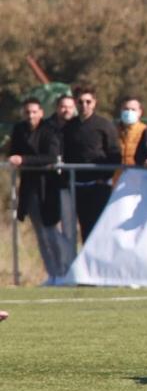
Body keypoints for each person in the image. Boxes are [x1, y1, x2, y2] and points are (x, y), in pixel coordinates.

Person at [7, 97, 71, 280]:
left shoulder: (50, 130)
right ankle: (52, 274)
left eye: (34, 112)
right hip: (30, 188)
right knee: (41, 235)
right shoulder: (19, 130)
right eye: (27, 112)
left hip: (49, 187)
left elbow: (51, 157)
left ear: (41, 113)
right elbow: (13, 153)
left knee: (53, 232)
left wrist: (24, 160)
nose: (30, 116)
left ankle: (64, 271)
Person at [61, 84, 121, 243]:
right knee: (83, 229)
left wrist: (105, 177)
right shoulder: (69, 127)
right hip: (76, 186)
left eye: (88, 101)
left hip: (98, 186)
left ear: (94, 102)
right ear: (75, 102)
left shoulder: (104, 125)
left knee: (99, 228)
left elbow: (114, 154)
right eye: (81, 102)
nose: (84, 105)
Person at [50, 94, 79, 261]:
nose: (66, 110)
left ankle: (74, 264)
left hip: (74, 183)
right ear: (57, 108)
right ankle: (63, 265)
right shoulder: (48, 127)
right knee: (56, 227)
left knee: (73, 228)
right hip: (54, 183)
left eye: (69, 106)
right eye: (63, 106)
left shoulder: (78, 126)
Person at [116, 96, 146, 166]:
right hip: (117, 174)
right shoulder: (113, 130)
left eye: (133, 109)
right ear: (121, 110)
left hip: (138, 173)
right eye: (126, 109)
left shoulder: (146, 131)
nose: (129, 112)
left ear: (140, 112)